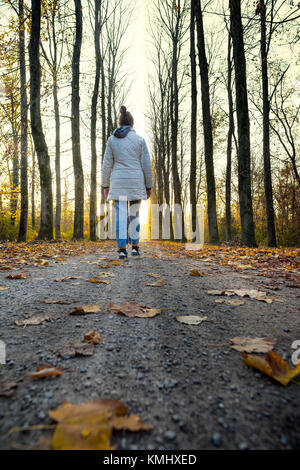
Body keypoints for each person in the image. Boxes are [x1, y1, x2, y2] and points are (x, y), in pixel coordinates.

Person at [102, 106, 153, 260]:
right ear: (132, 124)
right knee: (135, 214)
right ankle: (136, 247)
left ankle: (122, 249)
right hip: (136, 182)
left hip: (118, 182)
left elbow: (106, 164)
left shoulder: (111, 140)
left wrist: (105, 185)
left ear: (119, 123)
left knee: (121, 215)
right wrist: (148, 186)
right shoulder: (140, 140)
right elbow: (146, 165)